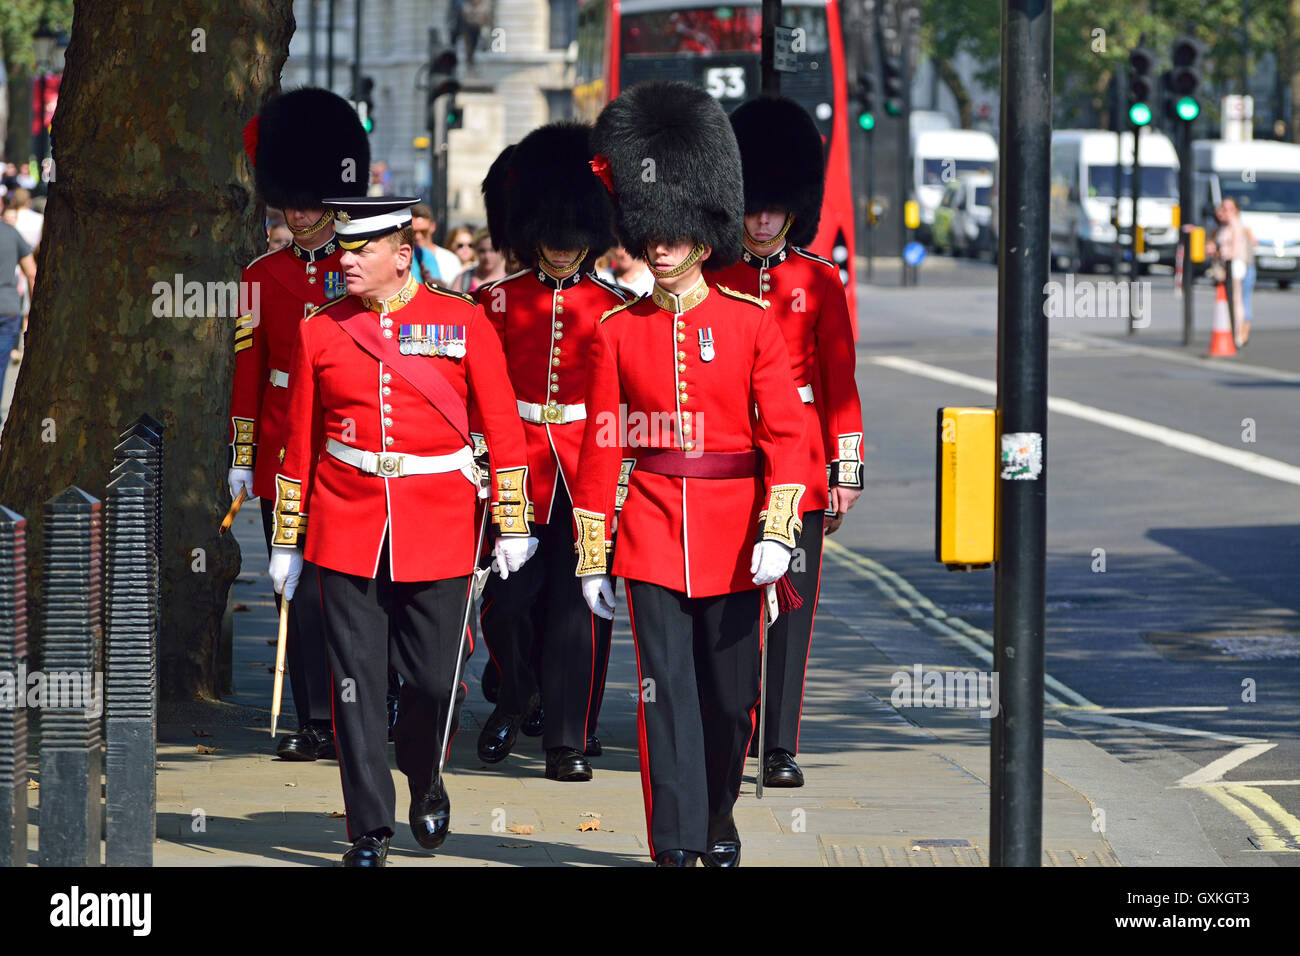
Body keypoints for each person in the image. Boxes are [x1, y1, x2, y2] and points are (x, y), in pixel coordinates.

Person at [574, 80, 807, 866]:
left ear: (705, 232)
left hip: (738, 535)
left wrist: (779, 530)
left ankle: (716, 811)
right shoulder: (613, 333)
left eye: (677, 232)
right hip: (647, 534)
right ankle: (672, 845)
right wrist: (593, 553)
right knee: (665, 699)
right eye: (653, 233)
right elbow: (602, 446)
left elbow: (788, 433)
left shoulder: (751, 324)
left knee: (730, 699)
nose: (663, 246)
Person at [268, 195, 537, 867]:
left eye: (360, 251)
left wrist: (512, 521)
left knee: (431, 685)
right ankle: (369, 828)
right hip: (345, 524)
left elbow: (502, 428)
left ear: (400, 254)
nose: (345, 260)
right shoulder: (320, 329)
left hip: (439, 522)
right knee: (355, 684)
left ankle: (425, 780)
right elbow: (298, 441)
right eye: (342, 249)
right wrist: (284, 539)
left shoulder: (463, 320)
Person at [712, 95, 864, 789]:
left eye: (774, 205)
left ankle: (779, 745)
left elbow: (839, 384)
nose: (764, 216)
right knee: (733, 602)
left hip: (799, 464)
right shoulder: (712, 279)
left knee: (792, 608)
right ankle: (733, 727)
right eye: (754, 203)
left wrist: (847, 467)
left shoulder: (819, 280)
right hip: (728, 459)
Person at [472, 122, 628, 779]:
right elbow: (478, 391)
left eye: (572, 242)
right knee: (507, 601)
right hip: (519, 466)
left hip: (590, 469)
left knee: (577, 604)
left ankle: (566, 739)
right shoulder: (496, 302)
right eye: (551, 240)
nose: (561, 252)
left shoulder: (617, 309)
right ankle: (516, 694)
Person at [229, 88, 368, 762]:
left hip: (348, 450)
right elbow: (247, 375)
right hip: (283, 452)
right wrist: (241, 451)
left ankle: (355, 706)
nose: (301, 211)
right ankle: (316, 719)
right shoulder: (259, 276)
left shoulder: (363, 269)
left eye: (311, 200)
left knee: (343, 588)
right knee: (299, 588)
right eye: (293, 199)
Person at [409, 204, 464, 287]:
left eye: (423, 231)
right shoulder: (404, 258)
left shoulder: (450, 259)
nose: (418, 236)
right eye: (413, 232)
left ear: (433, 227)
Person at [454, 228, 505, 292]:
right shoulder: (463, 279)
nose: (487, 256)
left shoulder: (510, 279)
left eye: (492, 250)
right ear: (475, 251)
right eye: (482, 251)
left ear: (501, 251)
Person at [6, 189, 43, 253]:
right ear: (29, 202)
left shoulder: (7, 219)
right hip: (34, 259)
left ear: (12, 201)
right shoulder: (41, 218)